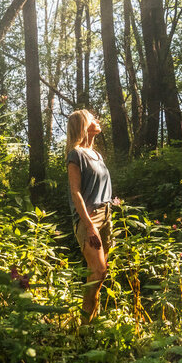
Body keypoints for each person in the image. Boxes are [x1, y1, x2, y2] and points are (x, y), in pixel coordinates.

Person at [66, 109, 117, 322]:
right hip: (90, 217)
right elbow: (75, 192)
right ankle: (85, 324)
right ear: (83, 126)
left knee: (99, 273)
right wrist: (89, 225)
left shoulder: (97, 155)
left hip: (106, 215)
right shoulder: (75, 154)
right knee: (98, 271)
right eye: (92, 118)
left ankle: (92, 321)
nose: (97, 120)